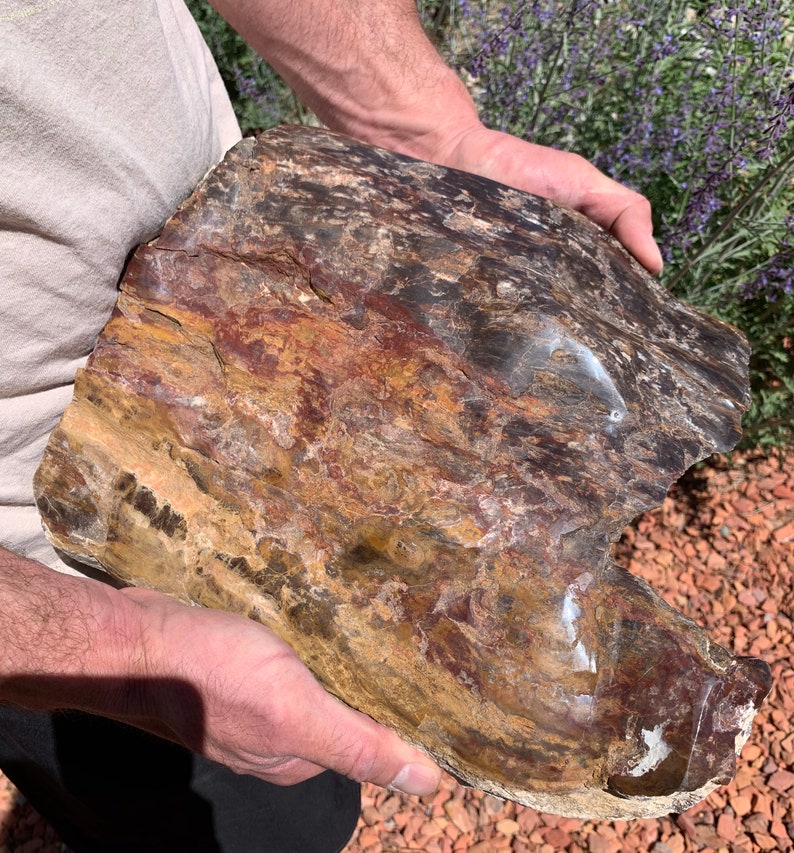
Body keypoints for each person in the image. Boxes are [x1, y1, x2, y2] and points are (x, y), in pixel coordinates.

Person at [0, 1, 663, 850]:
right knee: (250, 830)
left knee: (313, 791)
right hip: (64, 550)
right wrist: (123, 661)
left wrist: (427, 124)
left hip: (265, 284)